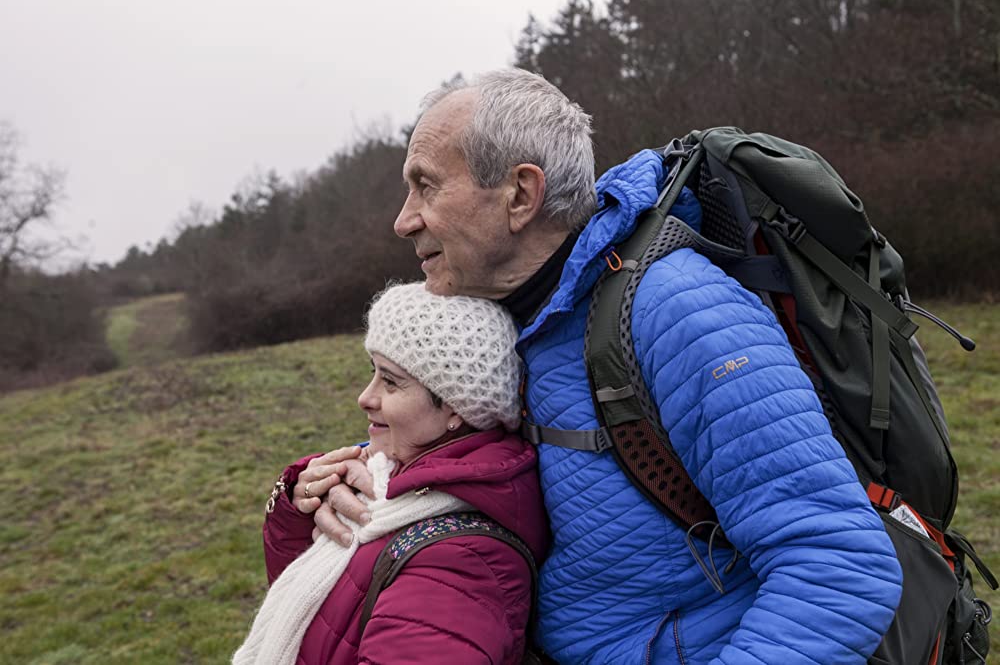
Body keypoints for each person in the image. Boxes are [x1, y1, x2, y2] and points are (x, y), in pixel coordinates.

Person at [312, 69, 904, 664]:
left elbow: (839, 565)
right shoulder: (507, 317)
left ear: (520, 194)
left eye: (426, 187)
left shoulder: (677, 310)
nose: (404, 219)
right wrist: (345, 485)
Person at [234, 282, 548, 665]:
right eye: (373, 372)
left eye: (392, 381)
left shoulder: (460, 564)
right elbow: (323, 614)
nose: (365, 397)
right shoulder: (381, 485)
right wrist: (300, 503)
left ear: (455, 408)